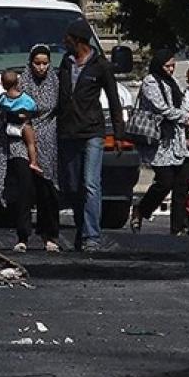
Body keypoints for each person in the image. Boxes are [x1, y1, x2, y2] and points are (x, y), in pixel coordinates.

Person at [56, 18, 125, 253]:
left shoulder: (100, 66)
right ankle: (80, 229)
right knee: (73, 186)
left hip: (92, 132)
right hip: (68, 132)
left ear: (78, 41)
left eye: (68, 38)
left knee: (91, 184)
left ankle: (92, 236)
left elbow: (114, 100)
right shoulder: (65, 63)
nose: (64, 42)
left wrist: (118, 134)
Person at [130, 50, 189, 236]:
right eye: (167, 66)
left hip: (178, 140)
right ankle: (142, 209)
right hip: (160, 141)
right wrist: (186, 117)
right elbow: (162, 108)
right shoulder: (151, 82)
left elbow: (182, 105)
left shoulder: (174, 83)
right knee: (164, 182)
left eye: (173, 66)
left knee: (182, 185)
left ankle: (178, 228)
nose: (171, 70)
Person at [0, 70, 46, 252]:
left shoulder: (6, 99)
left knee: (23, 187)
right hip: (14, 136)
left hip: (16, 137)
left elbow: (8, 113)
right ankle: (34, 162)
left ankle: (33, 162)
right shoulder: (18, 100)